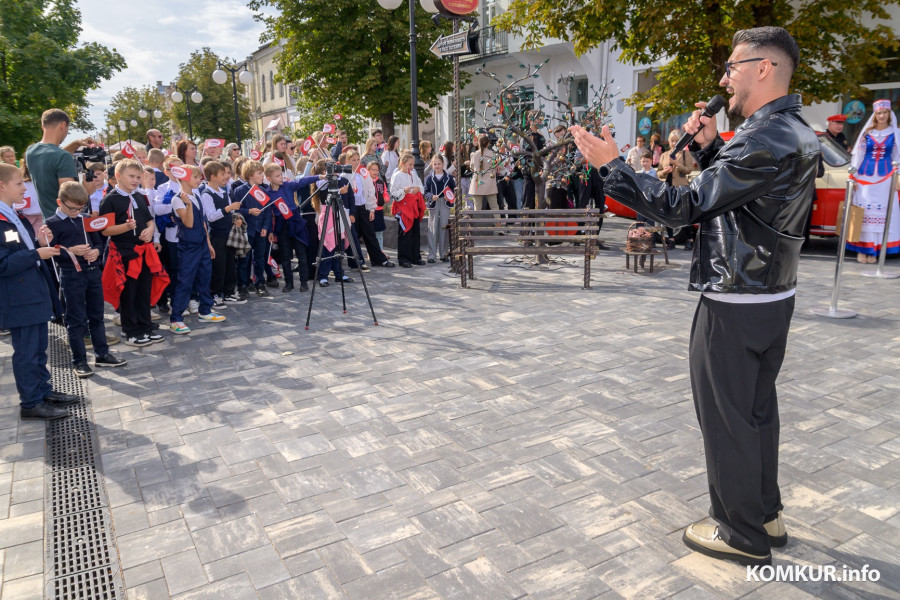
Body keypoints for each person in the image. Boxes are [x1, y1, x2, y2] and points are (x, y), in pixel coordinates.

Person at [571, 26, 819, 568]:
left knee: (727, 416)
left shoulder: (761, 138)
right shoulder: (795, 131)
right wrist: (707, 150)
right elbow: (747, 201)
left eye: (734, 66)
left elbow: (684, 207)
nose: (724, 77)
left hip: (735, 297)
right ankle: (765, 514)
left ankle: (739, 533)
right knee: (756, 412)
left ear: (764, 69)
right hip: (772, 294)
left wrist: (613, 167)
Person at [0, 163, 81, 419]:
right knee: (26, 350)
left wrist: (39, 243)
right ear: (2, 186)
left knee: (37, 348)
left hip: (30, 293)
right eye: (19, 184)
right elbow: (4, 263)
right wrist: (36, 252)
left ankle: (42, 390)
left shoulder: (13, 214)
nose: (25, 188)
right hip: (18, 296)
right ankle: (31, 403)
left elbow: (19, 250)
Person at [44, 182, 127, 377]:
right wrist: (69, 251)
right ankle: (79, 361)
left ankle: (102, 354)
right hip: (71, 275)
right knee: (75, 320)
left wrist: (96, 252)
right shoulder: (52, 223)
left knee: (97, 315)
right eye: (72, 208)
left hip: (92, 272)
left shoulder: (86, 218)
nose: (76, 212)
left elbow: (98, 241)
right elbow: (51, 253)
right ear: (60, 202)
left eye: (80, 208)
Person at [100, 159, 166, 346]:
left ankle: (145, 325)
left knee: (143, 290)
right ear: (118, 176)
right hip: (125, 253)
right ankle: (131, 330)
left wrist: (150, 230)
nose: (136, 180)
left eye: (138, 177)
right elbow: (106, 230)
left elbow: (149, 219)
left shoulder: (139, 196)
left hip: (143, 251)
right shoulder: (110, 200)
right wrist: (124, 227)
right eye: (131, 176)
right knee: (129, 292)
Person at [169, 164, 225, 334]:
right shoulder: (178, 199)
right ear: (184, 179)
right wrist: (188, 205)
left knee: (204, 277)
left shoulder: (196, 194)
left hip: (201, 243)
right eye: (195, 177)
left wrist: (208, 244)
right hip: (188, 246)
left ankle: (205, 310)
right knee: (185, 281)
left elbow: (201, 222)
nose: (199, 179)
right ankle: (176, 319)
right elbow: (189, 222)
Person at [846, 99, 900, 263]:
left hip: (885, 178)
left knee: (883, 212)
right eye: (879, 113)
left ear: (889, 114)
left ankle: (876, 250)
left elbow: (897, 156)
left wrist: (897, 176)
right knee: (865, 211)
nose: (882, 116)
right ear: (875, 115)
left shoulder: (895, 132)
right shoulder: (867, 134)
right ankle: (863, 249)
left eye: (885, 113)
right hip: (865, 177)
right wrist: (852, 176)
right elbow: (858, 155)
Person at [25, 109, 95, 219]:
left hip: (48, 221)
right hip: (66, 223)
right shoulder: (62, 156)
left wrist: (75, 144)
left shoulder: (31, 151)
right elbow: (70, 198)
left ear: (43, 126)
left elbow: (52, 156)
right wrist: (87, 191)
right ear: (63, 125)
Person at [199, 161, 242, 306]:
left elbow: (231, 212)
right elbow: (210, 216)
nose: (226, 177)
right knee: (219, 265)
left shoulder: (224, 191)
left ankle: (229, 292)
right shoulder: (206, 194)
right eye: (222, 174)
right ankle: (215, 293)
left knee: (230, 263)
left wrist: (235, 218)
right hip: (217, 235)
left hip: (228, 233)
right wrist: (228, 209)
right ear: (212, 176)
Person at [235, 161, 273, 296]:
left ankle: (260, 283)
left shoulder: (262, 191)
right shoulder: (240, 191)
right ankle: (243, 285)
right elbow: (237, 211)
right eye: (259, 173)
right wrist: (249, 211)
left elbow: (268, 212)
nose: (262, 175)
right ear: (250, 175)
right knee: (244, 259)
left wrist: (265, 227)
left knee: (260, 259)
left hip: (260, 231)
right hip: (247, 230)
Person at [657, 129, 698, 249]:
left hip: (681, 187)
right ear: (669, 142)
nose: (674, 143)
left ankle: (690, 239)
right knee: (668, 213)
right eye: (672, 141)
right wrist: (664, 171)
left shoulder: (685, 154)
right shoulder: (664, 155)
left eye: (676, 141)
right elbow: (659, 173)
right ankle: (671, 239)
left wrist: (677, 164)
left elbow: (689, 170)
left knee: (684, 214)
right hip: (667, 187)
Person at [390, 152, 426, 268]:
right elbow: (393, 193)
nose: (412, 167)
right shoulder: (397, 176)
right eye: (409, 164)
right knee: (405, 233)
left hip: (413, 207)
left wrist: (417, 189)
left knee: (415, 233)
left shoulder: (414, 174)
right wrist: (404, 191)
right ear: (402, 163)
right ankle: (404, 258)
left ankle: (416, 257)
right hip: (403, 209)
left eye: (413, 165)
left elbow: (421, 187)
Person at [424, 154, 455, 263]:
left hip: (445, 203)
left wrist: (449, 196)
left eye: (439, 164)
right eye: (435, 164)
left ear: (443, 164)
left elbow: (453, 191)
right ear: (432, 165)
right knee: (432, 229)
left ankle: (444, 253)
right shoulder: (429, 178)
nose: (437, 166)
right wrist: (431, 197)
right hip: (434, 203)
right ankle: (432, 255)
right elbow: (426, 191)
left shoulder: (449, 178)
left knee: (444, 228)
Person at [469, 135, 500, 215]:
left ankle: (477, 226)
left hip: (477, 182)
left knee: (477, 208)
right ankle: (498, 225)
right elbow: (498, 166)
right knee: (494, 207)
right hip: (490, 182)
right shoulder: (493, 154)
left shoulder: (473, 154)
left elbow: (471, 168)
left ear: (479, 143)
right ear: (488, 143)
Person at [368, 161, 388, 250]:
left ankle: (380, 250)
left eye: (377, 170)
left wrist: (385, 199)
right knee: (370, 232)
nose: (375, 172)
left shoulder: (381, 182)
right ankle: (371, 252)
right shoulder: (366, 182)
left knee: (379, 232)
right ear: (368, 170)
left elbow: (385, 193)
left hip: (379, 210)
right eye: (373, 169)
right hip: (369, 210)